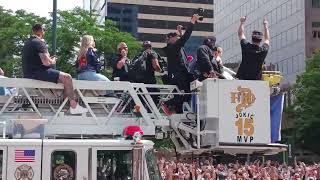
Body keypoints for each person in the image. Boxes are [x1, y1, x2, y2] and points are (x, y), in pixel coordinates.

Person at [22, 23, 87, 114]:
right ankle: (73, 107)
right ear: (41, 31)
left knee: (65, 80)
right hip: (37, 72)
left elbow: (38, 59)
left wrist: (48, 60)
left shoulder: (28, 42)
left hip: (29, 73)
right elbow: (46, 62)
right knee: (67, 77)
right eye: (44, 30)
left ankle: (65, 106)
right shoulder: (39, 42)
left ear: (33, 31)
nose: (44, 32)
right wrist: (52, 61)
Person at [163, 14, 201, 113]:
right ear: (170, 38)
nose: (178, 38)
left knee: (183, 95)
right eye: (176, 37)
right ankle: (167, 103)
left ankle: (178, 113)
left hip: (178, 75)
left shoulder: (174, 48)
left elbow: (181, 44)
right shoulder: (172, 47)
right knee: (188, 93)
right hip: (179, 75)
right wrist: (192, 22)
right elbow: (185, 38)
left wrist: (180, 32)